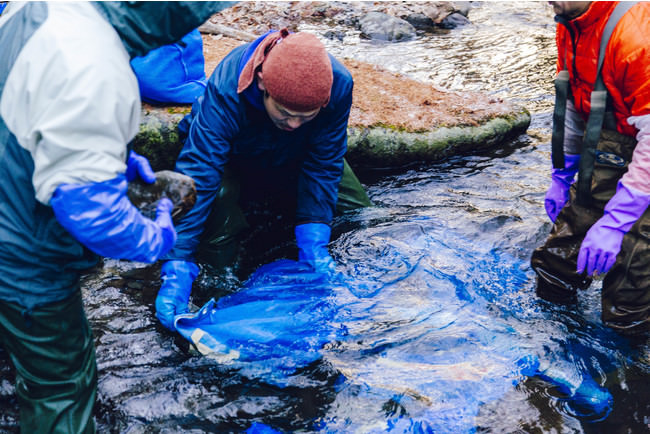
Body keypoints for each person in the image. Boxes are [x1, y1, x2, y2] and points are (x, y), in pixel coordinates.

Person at [0, 2, 233, 432]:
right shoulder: (96, 65)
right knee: (62, 385)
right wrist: (155, 239)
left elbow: (35, 111)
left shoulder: (43, 8)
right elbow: (92, 214)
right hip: (21, 257)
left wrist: (111, 162)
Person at [155, 29, 372, 331]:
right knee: (219, 202)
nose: (295, 123)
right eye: (285, 113)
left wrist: (314, 242)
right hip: (231, 154)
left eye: (306, 116)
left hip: (294, 153)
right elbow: (200, 174)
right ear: (262, 84)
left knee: (362, 213)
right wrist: (177, 263)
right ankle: (222, 294)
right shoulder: (229, 85)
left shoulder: (338, 85)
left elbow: (324, 163)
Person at [531, 2, 650, 334]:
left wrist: (616, 222)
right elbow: (570, 99)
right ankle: (550, 354)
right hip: (616, 147)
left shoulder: (638, 37)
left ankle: (630, 371)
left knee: (629, 301)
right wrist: (563, 174)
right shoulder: (571, 22)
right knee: (554, 266)